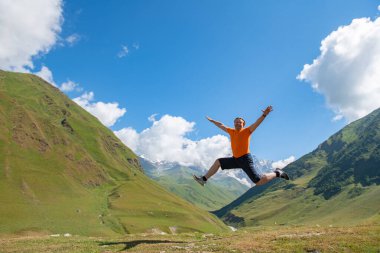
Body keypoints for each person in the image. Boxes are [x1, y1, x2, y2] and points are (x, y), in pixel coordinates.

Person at [193, 106, 289, 187]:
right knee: (218, 162)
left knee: (258, 181)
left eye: (240, 122)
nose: (238, 123)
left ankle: (277, 173)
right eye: (236, 122)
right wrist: (213, 121)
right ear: (234, 124)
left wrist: (264, 115)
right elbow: (221, 125)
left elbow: (257, 123)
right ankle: (204, 179)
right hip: (235, 159)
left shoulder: (247, 131)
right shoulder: (231, 131)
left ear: (243, 124)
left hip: (245, 159)